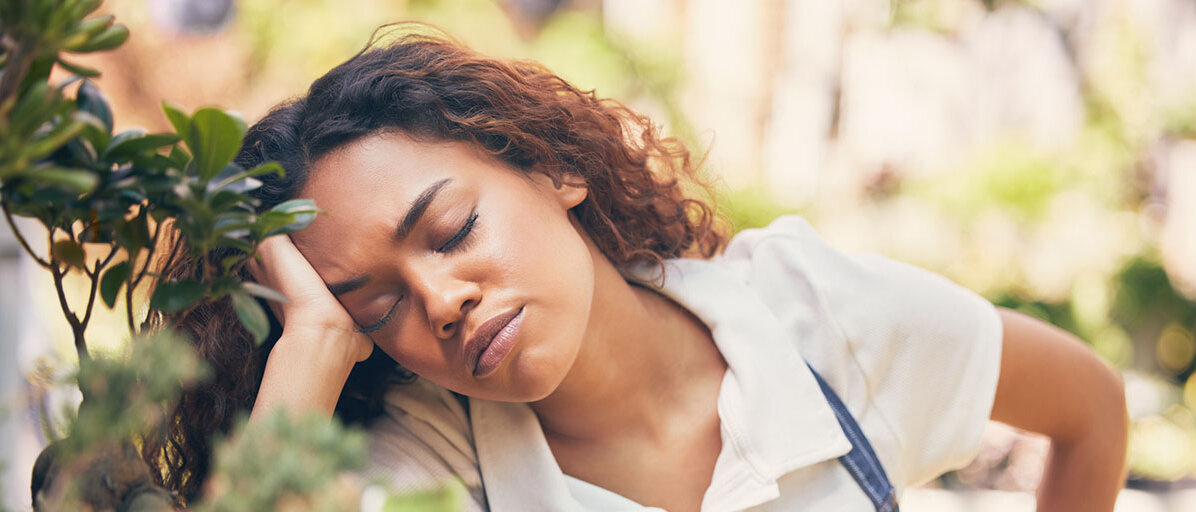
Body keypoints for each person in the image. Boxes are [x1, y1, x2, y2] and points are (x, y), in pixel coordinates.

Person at [144, 30, 1129, 511]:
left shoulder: (815, 320)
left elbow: (1087, 404)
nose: (441, 300)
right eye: (376, 304)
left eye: (448, 230)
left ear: (555, 167)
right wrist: (309, 345)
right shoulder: (428, 468)